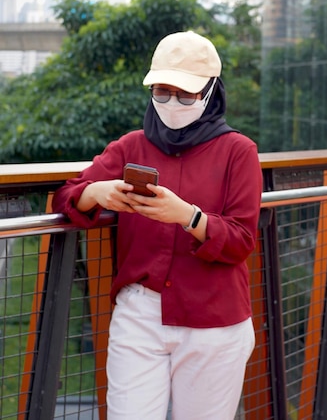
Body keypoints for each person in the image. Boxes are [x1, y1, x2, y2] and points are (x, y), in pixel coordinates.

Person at [52, 30, 263, 420]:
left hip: (214, 319)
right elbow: (66, 197)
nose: (171, 104)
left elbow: (242, 239)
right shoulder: (132, 145)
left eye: (185, 95)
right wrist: (96, 192)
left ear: (211, 91)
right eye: (161, 93)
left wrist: (188, 216)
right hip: (140, 313)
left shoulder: (239, 151)